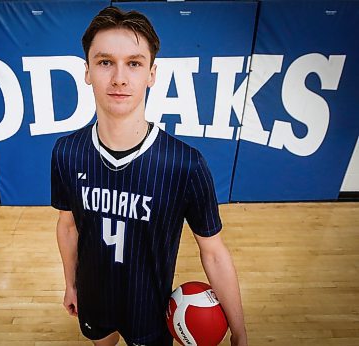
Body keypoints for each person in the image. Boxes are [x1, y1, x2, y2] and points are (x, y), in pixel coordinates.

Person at [51, 6, 247, 346]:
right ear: (87, 71)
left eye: (134, 63)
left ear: (152, 74)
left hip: (150, 309)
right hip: (95, 297)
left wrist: (240, 332)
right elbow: (68, 226)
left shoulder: (185, 164)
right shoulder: (67, 152)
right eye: (105, 62)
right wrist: (71, 283)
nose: (120, 78)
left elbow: (213, 252)